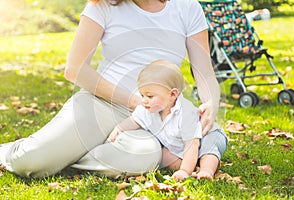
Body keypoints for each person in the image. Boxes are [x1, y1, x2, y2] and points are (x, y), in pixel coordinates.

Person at [0, 0, 221, 178]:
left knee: (145, 155)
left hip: (156, 116)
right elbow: (75, 69)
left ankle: (67, 155)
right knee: (29, 162)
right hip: (101, 103)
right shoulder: (102, 5)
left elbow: (205, 73)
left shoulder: (189, 7)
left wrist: (211, 103)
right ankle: (16, 152)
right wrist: (136, 102)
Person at [107, 60, 228, 180]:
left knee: (208, 149)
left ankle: (206, 171)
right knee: (163, 156)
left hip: (206, 135)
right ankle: (193, 166)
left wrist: (184, 171)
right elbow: (134, 121)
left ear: (172, 95)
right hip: (180, 147)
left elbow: (192, 144)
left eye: (149, 96)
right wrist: (119, 128)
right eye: (142, 95)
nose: (144, 100)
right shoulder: (147, 110)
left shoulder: (186, 113)